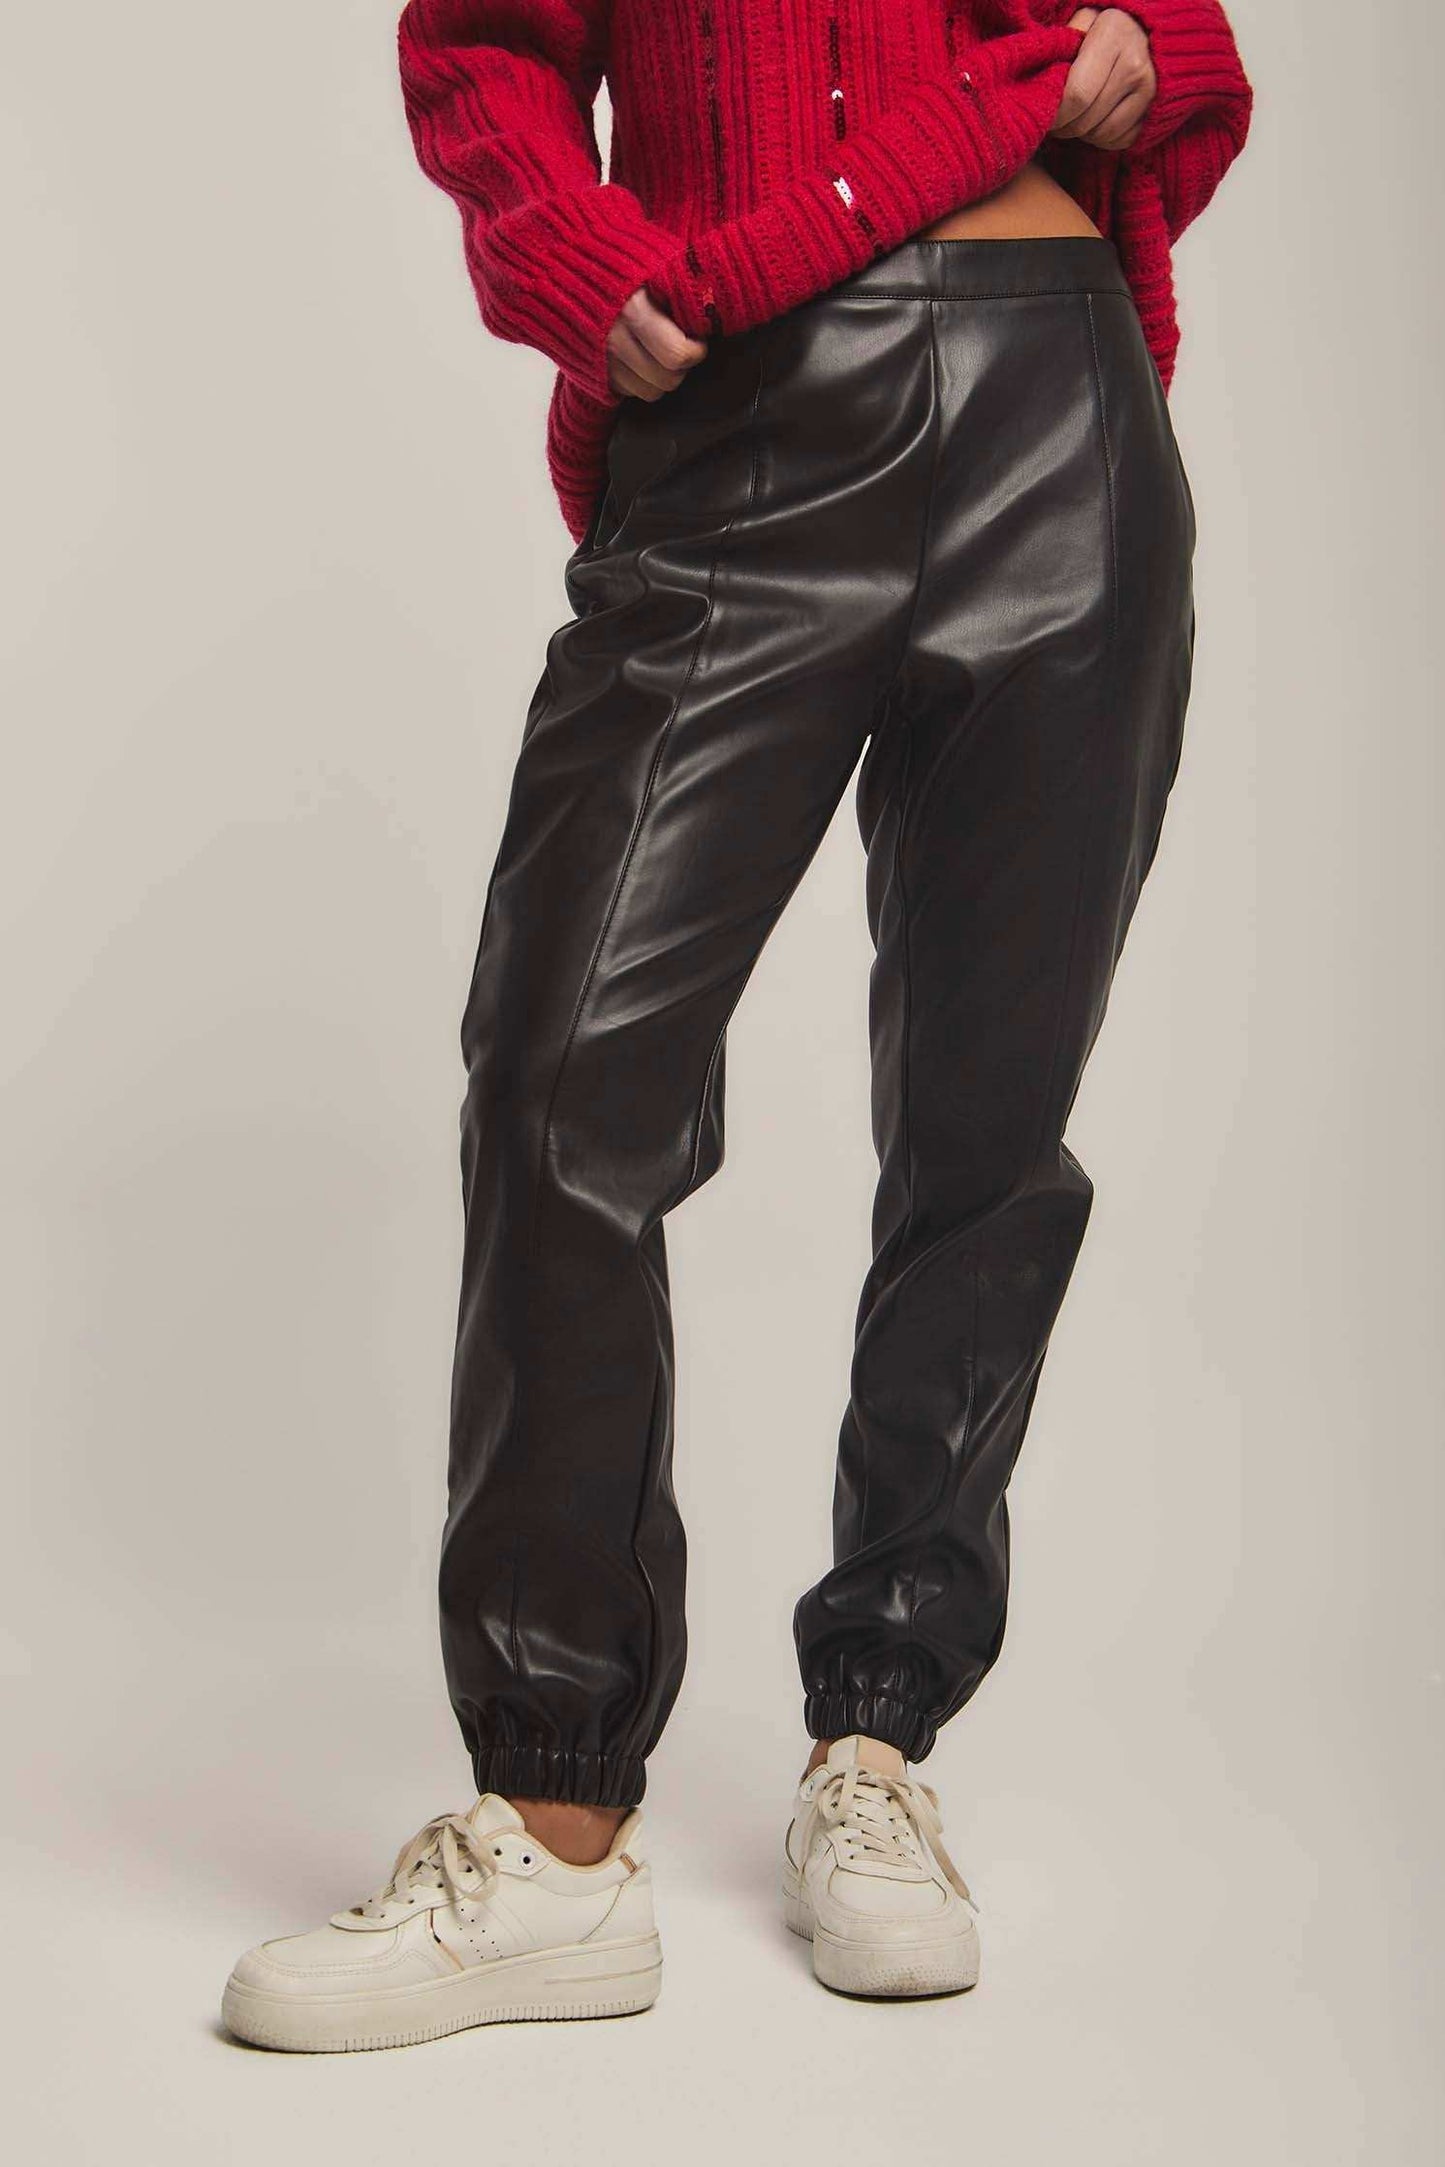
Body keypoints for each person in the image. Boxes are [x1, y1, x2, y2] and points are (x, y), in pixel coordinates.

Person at [221, 0, 1252, 2050]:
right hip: (747, 412)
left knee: (987, 1120)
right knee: (561, 1076)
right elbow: (482, 47)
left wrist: (1140, 48)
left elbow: (1176, 51)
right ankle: (552, 1825)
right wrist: (574, 254)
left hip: (1060, 407)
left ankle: (876, 1741)